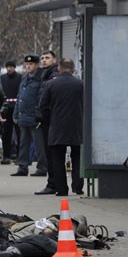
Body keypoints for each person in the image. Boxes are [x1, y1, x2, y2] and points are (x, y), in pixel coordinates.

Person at [38, 58, 84, 197]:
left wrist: (47, 119)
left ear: (59, 68)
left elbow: (43, 105)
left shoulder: (51, 84)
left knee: (57, 159)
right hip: (77, 126)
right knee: (77, 157)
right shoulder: (81, 84)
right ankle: (78, 187)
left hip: (56, 126)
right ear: (73, 69)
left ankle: (62, 189)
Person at [11, 55, 44, 177]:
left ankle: (42, 167)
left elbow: (41, 99)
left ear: (36, 65)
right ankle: (22, 167)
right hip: (23, 116)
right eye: (26, 64)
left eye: (31, 64)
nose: (28, 66)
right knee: (23, 144)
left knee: (39, 144)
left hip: (34, 117)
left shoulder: (40, 79)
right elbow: (20, 97)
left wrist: (39, 115)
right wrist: (16, 114)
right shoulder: (25, 78)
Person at [33, 50, 60, 194]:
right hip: (47, 120)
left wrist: (42, 116)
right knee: (49, 153)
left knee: (51, 153)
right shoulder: (46, 76)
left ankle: (53, 184)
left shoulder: (53, 76)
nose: (44, 60)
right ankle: (53, 183)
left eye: (47, 58)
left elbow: (47, 100)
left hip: (49, 120)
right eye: (42, 58)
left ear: (54, 60)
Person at [0, 60, 21, 164]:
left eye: (11, 67)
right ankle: (6, 156)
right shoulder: (2, 78)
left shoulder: (20, 78)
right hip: (6, 108)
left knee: (19, 133)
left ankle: (19, 156)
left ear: (14, 67)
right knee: (6, 133)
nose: (9, 69)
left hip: (16, 108)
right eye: (8, 67)